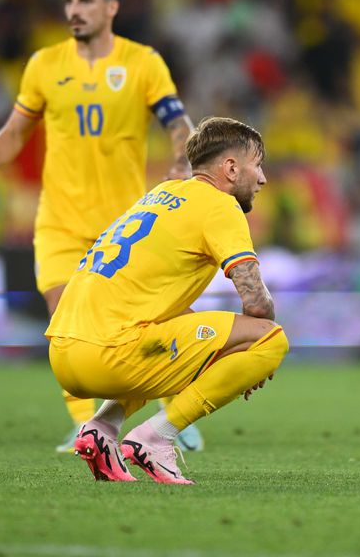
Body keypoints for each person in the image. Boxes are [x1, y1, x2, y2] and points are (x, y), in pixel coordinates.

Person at [0, 0, 196, 451]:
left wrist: (181, 159)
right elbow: (16, 129)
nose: (74, 10)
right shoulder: (45, 64)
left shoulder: (143, 62)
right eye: (69, 1)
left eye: (86, 1)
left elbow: (178, 122)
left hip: (124, 225)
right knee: (64, 320)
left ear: (111, 7)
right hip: (60, 220)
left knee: (141, 326)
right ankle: (86, 422)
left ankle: (171, 406)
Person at [47, 116, 288, 484]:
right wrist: (251, 352)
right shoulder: (220, 206)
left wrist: (231, 349)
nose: (263, 178)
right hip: (112, 355)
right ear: (231, 167)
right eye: (258, 165)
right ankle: (156, 438)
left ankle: (101, 429)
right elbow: (257, 304)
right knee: (271, 338)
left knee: (171, 336)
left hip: (63, 353)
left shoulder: (158, 196)